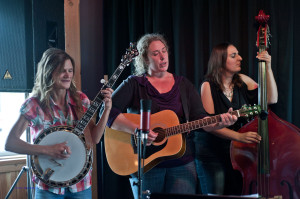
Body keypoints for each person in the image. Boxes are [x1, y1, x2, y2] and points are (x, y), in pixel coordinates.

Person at [106, 33, 238, 199]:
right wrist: (138, 130)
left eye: (164, 51)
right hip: (146, 165)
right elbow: (107, 112)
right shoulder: (134, 83)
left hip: (182, 164)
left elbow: (201, 120)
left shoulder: (183, 85)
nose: (162, 57)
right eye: (155, 53)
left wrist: (221, 121)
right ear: (145, 59)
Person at [5, 48, 113, 198]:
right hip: (48, 186)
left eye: (70, 70)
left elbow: (93, 139)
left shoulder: (81, 100)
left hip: (80, 185)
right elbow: (10, 143)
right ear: (49, 72)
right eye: (62, 71)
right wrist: (48, 150)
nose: (68, 75)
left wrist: (107, 110)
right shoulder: (34, 105)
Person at [194, 42, 278, 195]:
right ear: (220, 60)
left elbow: (271, 98)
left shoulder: (241, 80)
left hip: (236, 152)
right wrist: (239, 136)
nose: (240, 58)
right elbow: (209, 126)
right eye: (233, 56)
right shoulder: (207, 86)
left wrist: (268, 67)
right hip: (212, 153)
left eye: (238, 54)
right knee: (216, 193)